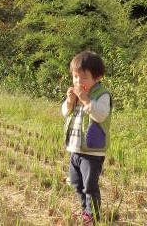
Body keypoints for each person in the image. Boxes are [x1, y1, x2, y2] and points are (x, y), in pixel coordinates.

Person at [62, 50, 112, 225]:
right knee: (76, 183)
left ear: (97, 77)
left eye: (83, 78)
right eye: (75, 77)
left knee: (90, 186)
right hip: (75, 148)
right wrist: (69, 101)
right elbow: (64, 113)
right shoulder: (76, 95)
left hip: (92, 152)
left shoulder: (102, 95)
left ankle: (93, 216)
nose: (78, 82)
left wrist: (85, 100)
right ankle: (85, 211)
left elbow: (100, 115)